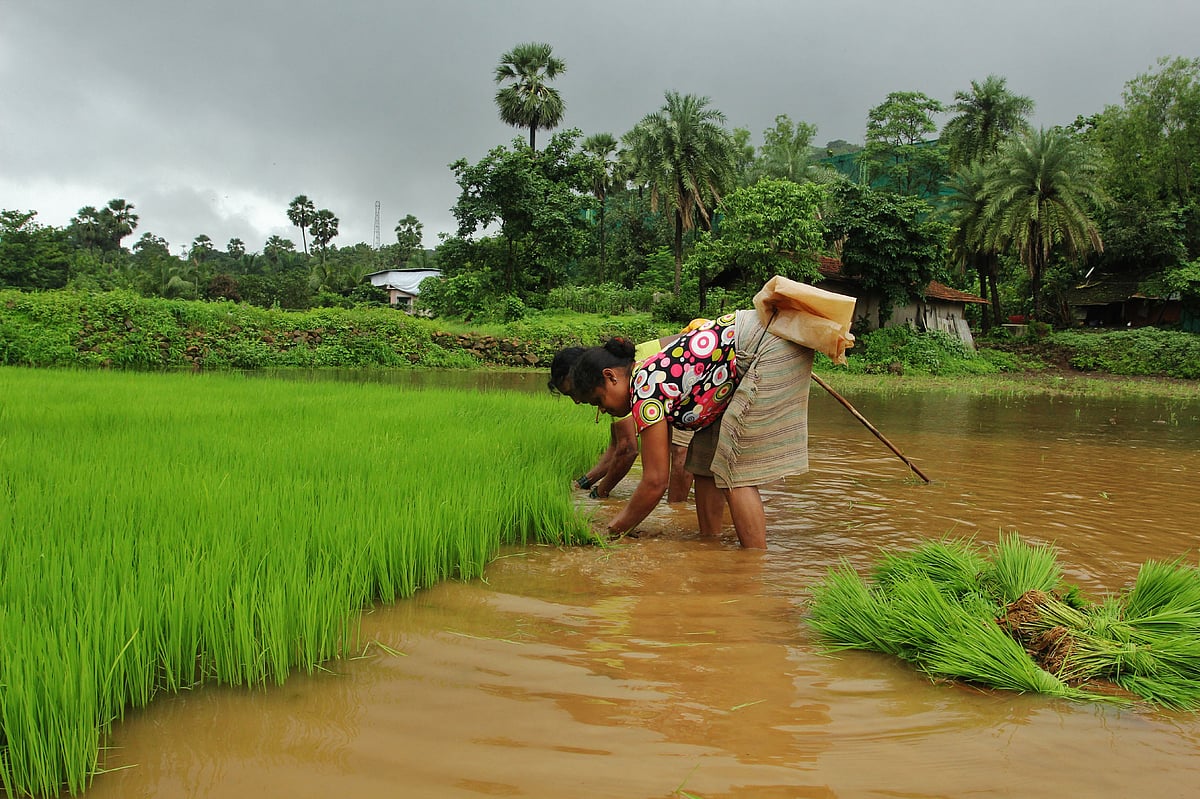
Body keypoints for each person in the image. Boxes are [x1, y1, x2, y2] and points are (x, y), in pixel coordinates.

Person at [567, 310, 813, 549]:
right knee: (703, 462)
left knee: (735, 470)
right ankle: (710, 543)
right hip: (755, 346)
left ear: (611, 377)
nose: (602, 411)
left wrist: (612, 530)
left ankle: (754, 564)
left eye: (598, 401)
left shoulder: (644, 392)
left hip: (765, 347)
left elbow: (655, 482)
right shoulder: (645, 379)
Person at [549, 338, 695, 502]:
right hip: (684, 385)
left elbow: (628, 449)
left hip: (696, 374)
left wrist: (599, 493)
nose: (576, 400)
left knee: (681, 450)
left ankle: (675, 513)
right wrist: (584, 483)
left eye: (571, 392)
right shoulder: (610, 383)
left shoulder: (621, 382)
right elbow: (616, 445)